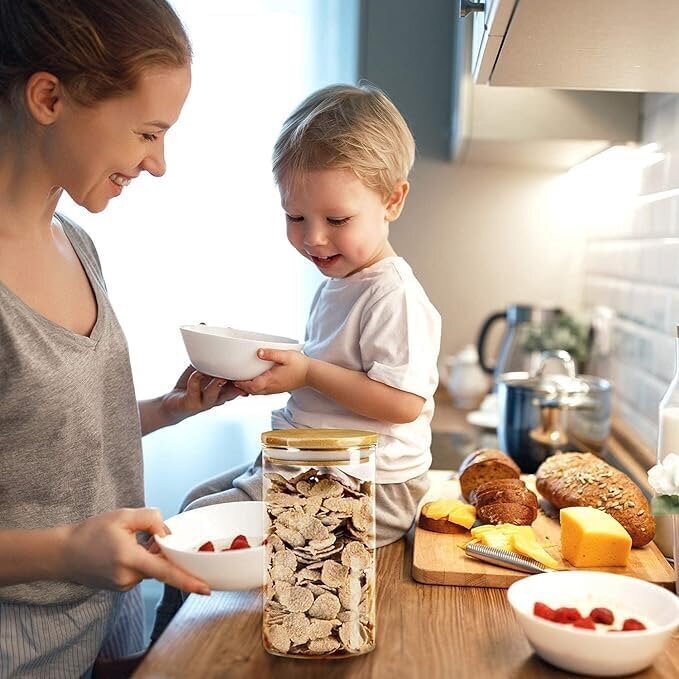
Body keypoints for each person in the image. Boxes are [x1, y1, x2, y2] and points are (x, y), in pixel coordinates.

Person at [0, 1, 244, 676]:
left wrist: (169, 408)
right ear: (49, 96)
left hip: (105, 625)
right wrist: (66, 552)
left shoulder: (76, 244)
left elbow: (44, 449)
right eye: (147, 132)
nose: (158, 163)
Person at [152, 83, 441, 638]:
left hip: (369, 489)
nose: (313, 238)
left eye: (336, 220)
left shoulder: (393, 294)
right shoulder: (344, 281)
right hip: (314, 468)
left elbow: (404, 404)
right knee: (193, 505)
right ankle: (165, 645)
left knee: (191, 527)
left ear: (393, 201)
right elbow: (333, 382)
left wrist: (307, 372)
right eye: (295, 217)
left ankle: (166, 653)